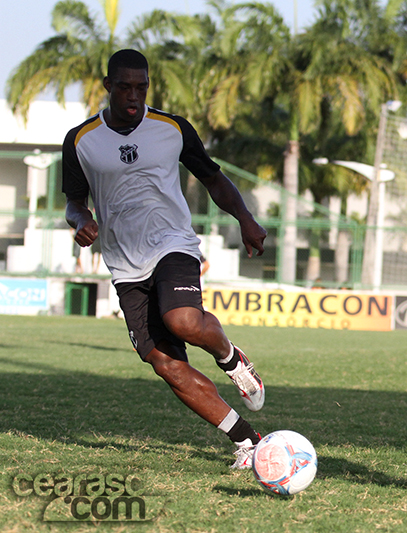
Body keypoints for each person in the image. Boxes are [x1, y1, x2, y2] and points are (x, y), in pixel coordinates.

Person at [63, 49, 268, 469]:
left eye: (141, 87)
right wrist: (81, 220)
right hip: (123, 263)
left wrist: (245, 218)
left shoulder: (172, 128)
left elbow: (213, 177)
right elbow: (73, 201)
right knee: (165, 364)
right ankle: (248, 441)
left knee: (183, 320)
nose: (133, 96)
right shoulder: (81, 140)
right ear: (108, 86)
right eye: (124, 87)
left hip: (171, 243)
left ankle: (232, 359)